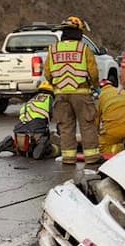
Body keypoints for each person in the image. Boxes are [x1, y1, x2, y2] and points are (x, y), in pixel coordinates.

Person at [43, 15, 101, 165]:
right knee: (87, 125)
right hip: (81, 93)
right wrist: (96, 86)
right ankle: (92, 157)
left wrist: (56, 85)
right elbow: (93, 72)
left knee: (66, 127)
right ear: (79, 33)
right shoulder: (83, 49)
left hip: (60, 94)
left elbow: (47, 73)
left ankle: (68, 158)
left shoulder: (53, 49)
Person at [0, 81, 56, 159]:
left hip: (19, 132)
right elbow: (61, 121)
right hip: (35, 132)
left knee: (22, 151)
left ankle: (11, 143)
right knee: (51, 149)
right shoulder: (50, 100)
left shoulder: (31, 100)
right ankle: (43, 144)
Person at [96, 80, 125, 157]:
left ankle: (122, 148)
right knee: (124, 137)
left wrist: (97, 133)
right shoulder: (123, 92)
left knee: (102, 148)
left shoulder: (101, 96)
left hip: (114, 130)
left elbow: (96, 118)